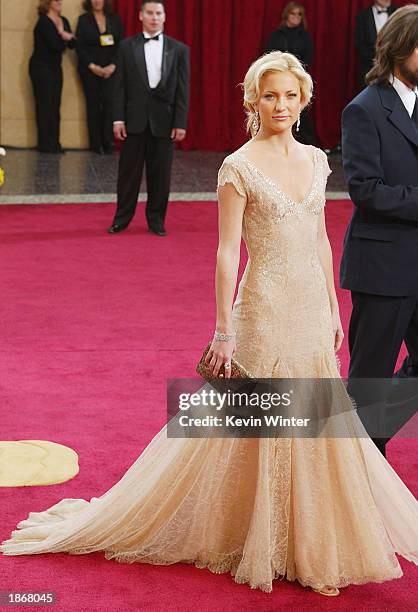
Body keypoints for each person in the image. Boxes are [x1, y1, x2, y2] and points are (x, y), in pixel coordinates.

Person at [1, 51, 418, 598]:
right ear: (253, 100)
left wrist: (331, 307)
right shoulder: (238, 166)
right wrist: (224, 329)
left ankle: (302, 539)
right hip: (263, 308)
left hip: (309, 309)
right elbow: (227, 255)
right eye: (271, 95)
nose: (281, 106)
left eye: (291, 96)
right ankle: (257, 535)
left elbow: (319, 237)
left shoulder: (317, 160)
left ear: (304, 101)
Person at [341, 5, 418, 457]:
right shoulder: (364, 109)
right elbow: (366, 191)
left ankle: (370, 445)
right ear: (401, 47)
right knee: (369, 378)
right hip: (382, 267)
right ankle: (360, 470)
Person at [108, 1, 190, 237]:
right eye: (150, 13)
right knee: (127, 175)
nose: (154, 17)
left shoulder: (179, 49)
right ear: (141, 16)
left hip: (164, 123)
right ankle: (121, 219)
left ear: (164, 17)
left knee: (161, 175)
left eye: (158, 13)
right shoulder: (126, 47)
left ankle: (156, 221)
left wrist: (180, 122)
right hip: (133, 120)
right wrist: (117, 119)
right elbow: (119, 86)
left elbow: (183, 90)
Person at [76, 0, 124, 154]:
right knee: (93, 104)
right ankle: (95, 143)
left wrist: (113, 66)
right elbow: (79, 46)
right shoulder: (84, 20)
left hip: (111, 69)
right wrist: (92, 66)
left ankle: (108, 141)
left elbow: (121, 45)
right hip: (90, 69)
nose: (97, 1)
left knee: (110, 103)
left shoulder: (115, 19)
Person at [265, 2, 315, 145]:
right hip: (277, 80)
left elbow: (308, 58)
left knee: (301, 112)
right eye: (293, 13)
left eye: (299, 14)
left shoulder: (305, 37)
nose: (296, 17)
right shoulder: (276, 35)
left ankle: (304, 143)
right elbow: (269, 57)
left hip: (298, 80)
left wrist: (297, 75)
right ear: (287, 15)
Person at [29, 0, 75, 153]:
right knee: (45, 106)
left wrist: (66, 37)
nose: (60, 2)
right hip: (41, 67)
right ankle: (44, 144)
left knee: (55, 106)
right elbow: (56, 46)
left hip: (55, 67)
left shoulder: (64, 20)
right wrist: (63, 35)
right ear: (48, 3)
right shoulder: (43, 22)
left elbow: (73, 44)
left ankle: (55, 143)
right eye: (56, 0)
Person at [355, 0, 398, 86]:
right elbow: (360, 45)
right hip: (370, 72)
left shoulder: (397, 13)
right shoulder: (363, 16)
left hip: (394, 72)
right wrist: (376, 60)